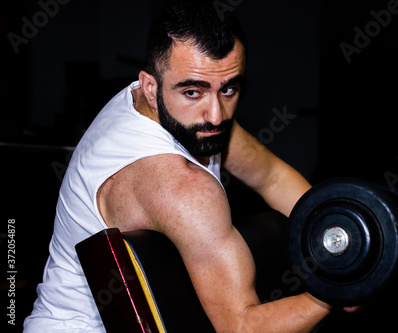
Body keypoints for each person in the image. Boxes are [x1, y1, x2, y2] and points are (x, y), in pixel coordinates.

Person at [24, 1, 356, 331]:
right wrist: (340, 288)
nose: (216, 114)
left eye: (228, 89)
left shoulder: (182, 115)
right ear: (151, 87)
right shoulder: (177, 185)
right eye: (194, 91)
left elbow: (272, 178)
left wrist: (341, 231)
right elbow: (241, 328)